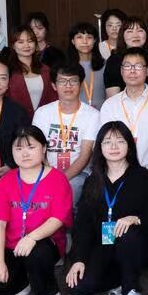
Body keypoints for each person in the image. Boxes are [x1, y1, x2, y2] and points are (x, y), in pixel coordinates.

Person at [65, 122, 148, 295]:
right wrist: (79, 259)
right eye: (107, 142)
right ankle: (119, 279)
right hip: (104, 245)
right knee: (78, 288)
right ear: (99, 147)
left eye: (120, 141)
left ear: (129, 145)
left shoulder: (144, 178)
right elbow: (82, 225)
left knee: (127, 233)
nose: (113, 147)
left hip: (134, 245)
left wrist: (135, 219)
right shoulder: (93, 180)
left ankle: (131, 289)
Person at [0, 126, 72, 295]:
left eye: (31, 147)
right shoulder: (5, 182)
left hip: (44, 242)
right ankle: (24, 281)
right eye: (18, 148)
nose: (24, 154)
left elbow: (57, 219)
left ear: (44, 148)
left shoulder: (57, 179)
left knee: (38, 254)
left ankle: (49, 291)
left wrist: (31, 237)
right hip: (12, 246)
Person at [32, 63, 101, 201]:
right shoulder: (42, 113)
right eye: (62, 81)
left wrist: (60, 179)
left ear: (80, 84)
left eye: (73, 81)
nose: (68, 86)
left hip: (78, 173)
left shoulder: (93, 115)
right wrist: (49, 174)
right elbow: (37, 148)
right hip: (46, 170)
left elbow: (85, 155)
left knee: (71, 188)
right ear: (54, 85)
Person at [99, 47, 148, 176]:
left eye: (138, 66)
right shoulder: (110, 105)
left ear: (147, 71)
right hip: (117, 173)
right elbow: (103, 144)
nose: (132, 71)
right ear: (121, 71)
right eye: (127, 66)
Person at [7, 24, 58, 116]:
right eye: (20, 42)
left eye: (30, 41)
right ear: (13, 46)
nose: (26, 45)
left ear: (35, 44)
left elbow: (53, 98)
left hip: (44, 120)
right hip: (17, 120)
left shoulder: (46, 70)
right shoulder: (8, 71)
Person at [104, 17, 148, 97]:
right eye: (130, 31)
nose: (135, 35)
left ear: (146, 34)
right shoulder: (114, 60)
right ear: (122, 35)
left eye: (140, 30)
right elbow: (112, 95)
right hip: (122, 104)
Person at [66, 22, 107, 108]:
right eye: (79, 37)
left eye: (89, 37)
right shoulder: (66, 67)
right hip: (76, 113)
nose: (85, 41)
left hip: (102, 113)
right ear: (73, 41)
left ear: (94, 40)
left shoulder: (105, 65)